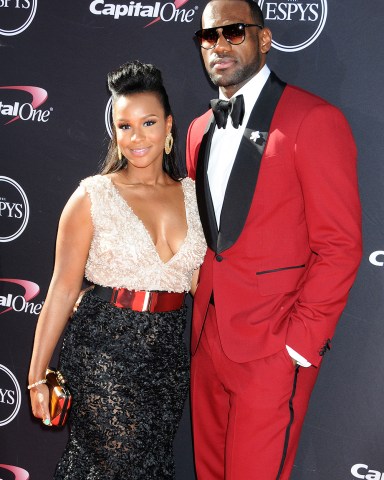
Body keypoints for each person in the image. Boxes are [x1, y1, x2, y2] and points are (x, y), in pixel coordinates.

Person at [186, 1, 362, 478]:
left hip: (272, 346)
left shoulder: (314, 120)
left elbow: (340, 246)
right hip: (207, 340)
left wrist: (298, 344)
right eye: (208, 36)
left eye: (234, 31)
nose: (220, 45)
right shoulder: (198, 130)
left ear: (264, 39)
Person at [28, 60, 206, 479]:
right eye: (124, 126)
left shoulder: (197, 197)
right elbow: (61, 290)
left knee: (150, 467)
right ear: (114, 132)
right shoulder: (93, 196)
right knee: (111, 464)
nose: (136, 137)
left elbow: (205, 285)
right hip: (101, 352)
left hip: (166, 360)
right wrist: (37, 377)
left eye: (147, 122)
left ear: (168, 126)